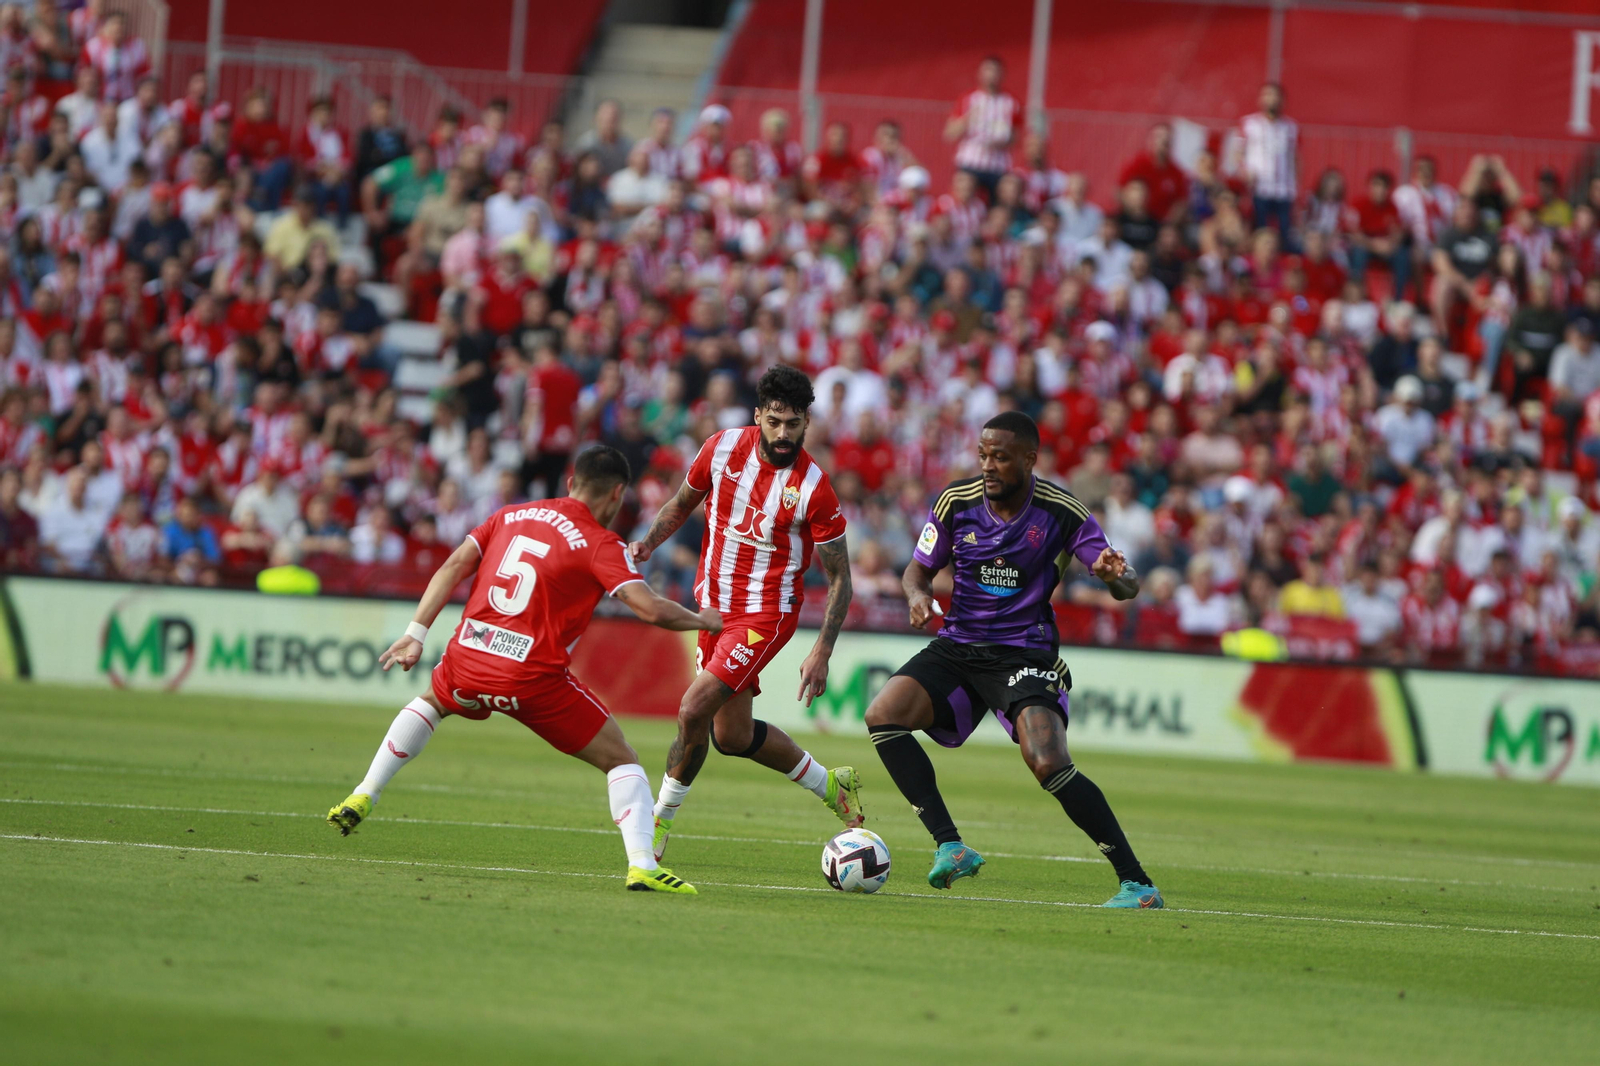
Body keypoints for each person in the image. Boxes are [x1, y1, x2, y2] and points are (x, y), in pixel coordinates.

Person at [325, 446, 720, 895]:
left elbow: (454, 564)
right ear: (617, 495)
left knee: (432, 703)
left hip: (469, 656)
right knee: (621, 759)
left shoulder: (509, 515)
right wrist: (704, 619)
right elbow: (650, 610)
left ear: (570, 483)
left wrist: (416, 633)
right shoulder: (599, 542)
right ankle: (643, 865)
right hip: (531, 677)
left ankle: (365, 791)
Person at [861, 411, 1162, 909]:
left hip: (1024, 649)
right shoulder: (956, 502)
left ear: (1029, 459)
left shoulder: (1063, 512)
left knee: (1047, 761)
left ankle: (1137, 884)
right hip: (959, 644)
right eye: (982, 455)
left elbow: (1126, 586)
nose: (988, 466)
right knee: (883, 716)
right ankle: (950, 846)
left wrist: (1115, 576)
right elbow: (916, 573)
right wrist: (917, 597)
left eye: (1000, 457)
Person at [628, 366, 862, 863]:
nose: (783, 434)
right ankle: (831, 785)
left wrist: (822, 649)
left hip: (765, 615)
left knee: (692, 709)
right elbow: (681, 501)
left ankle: (658, 822)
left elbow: (841, 578)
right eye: (774, 422)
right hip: (712, 609)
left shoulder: (814, 488)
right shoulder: (720, 449)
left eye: (793, 425)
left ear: (806, 423)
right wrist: (647, 543)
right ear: (758, 415)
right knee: (730, 735)